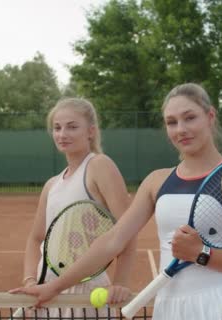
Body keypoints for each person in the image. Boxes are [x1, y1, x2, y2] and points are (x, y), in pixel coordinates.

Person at [10, 84, 222, 320]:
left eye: (190, 118)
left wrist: (202, 253)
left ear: (210, 117)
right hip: (169, 310)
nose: (181, 129)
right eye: (171, 122)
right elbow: (113, 240)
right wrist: (54, 287)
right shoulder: (155, 182)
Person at [17, 97, 136, 317]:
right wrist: (30, 279)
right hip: (46, 294)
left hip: (85, 293)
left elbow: (128, 232)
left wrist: (119, 283)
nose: (63, 134)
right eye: (57, 128)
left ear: (90, 131)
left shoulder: (100, 165)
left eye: (72, 127)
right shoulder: (51, 185)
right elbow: (36, 239)